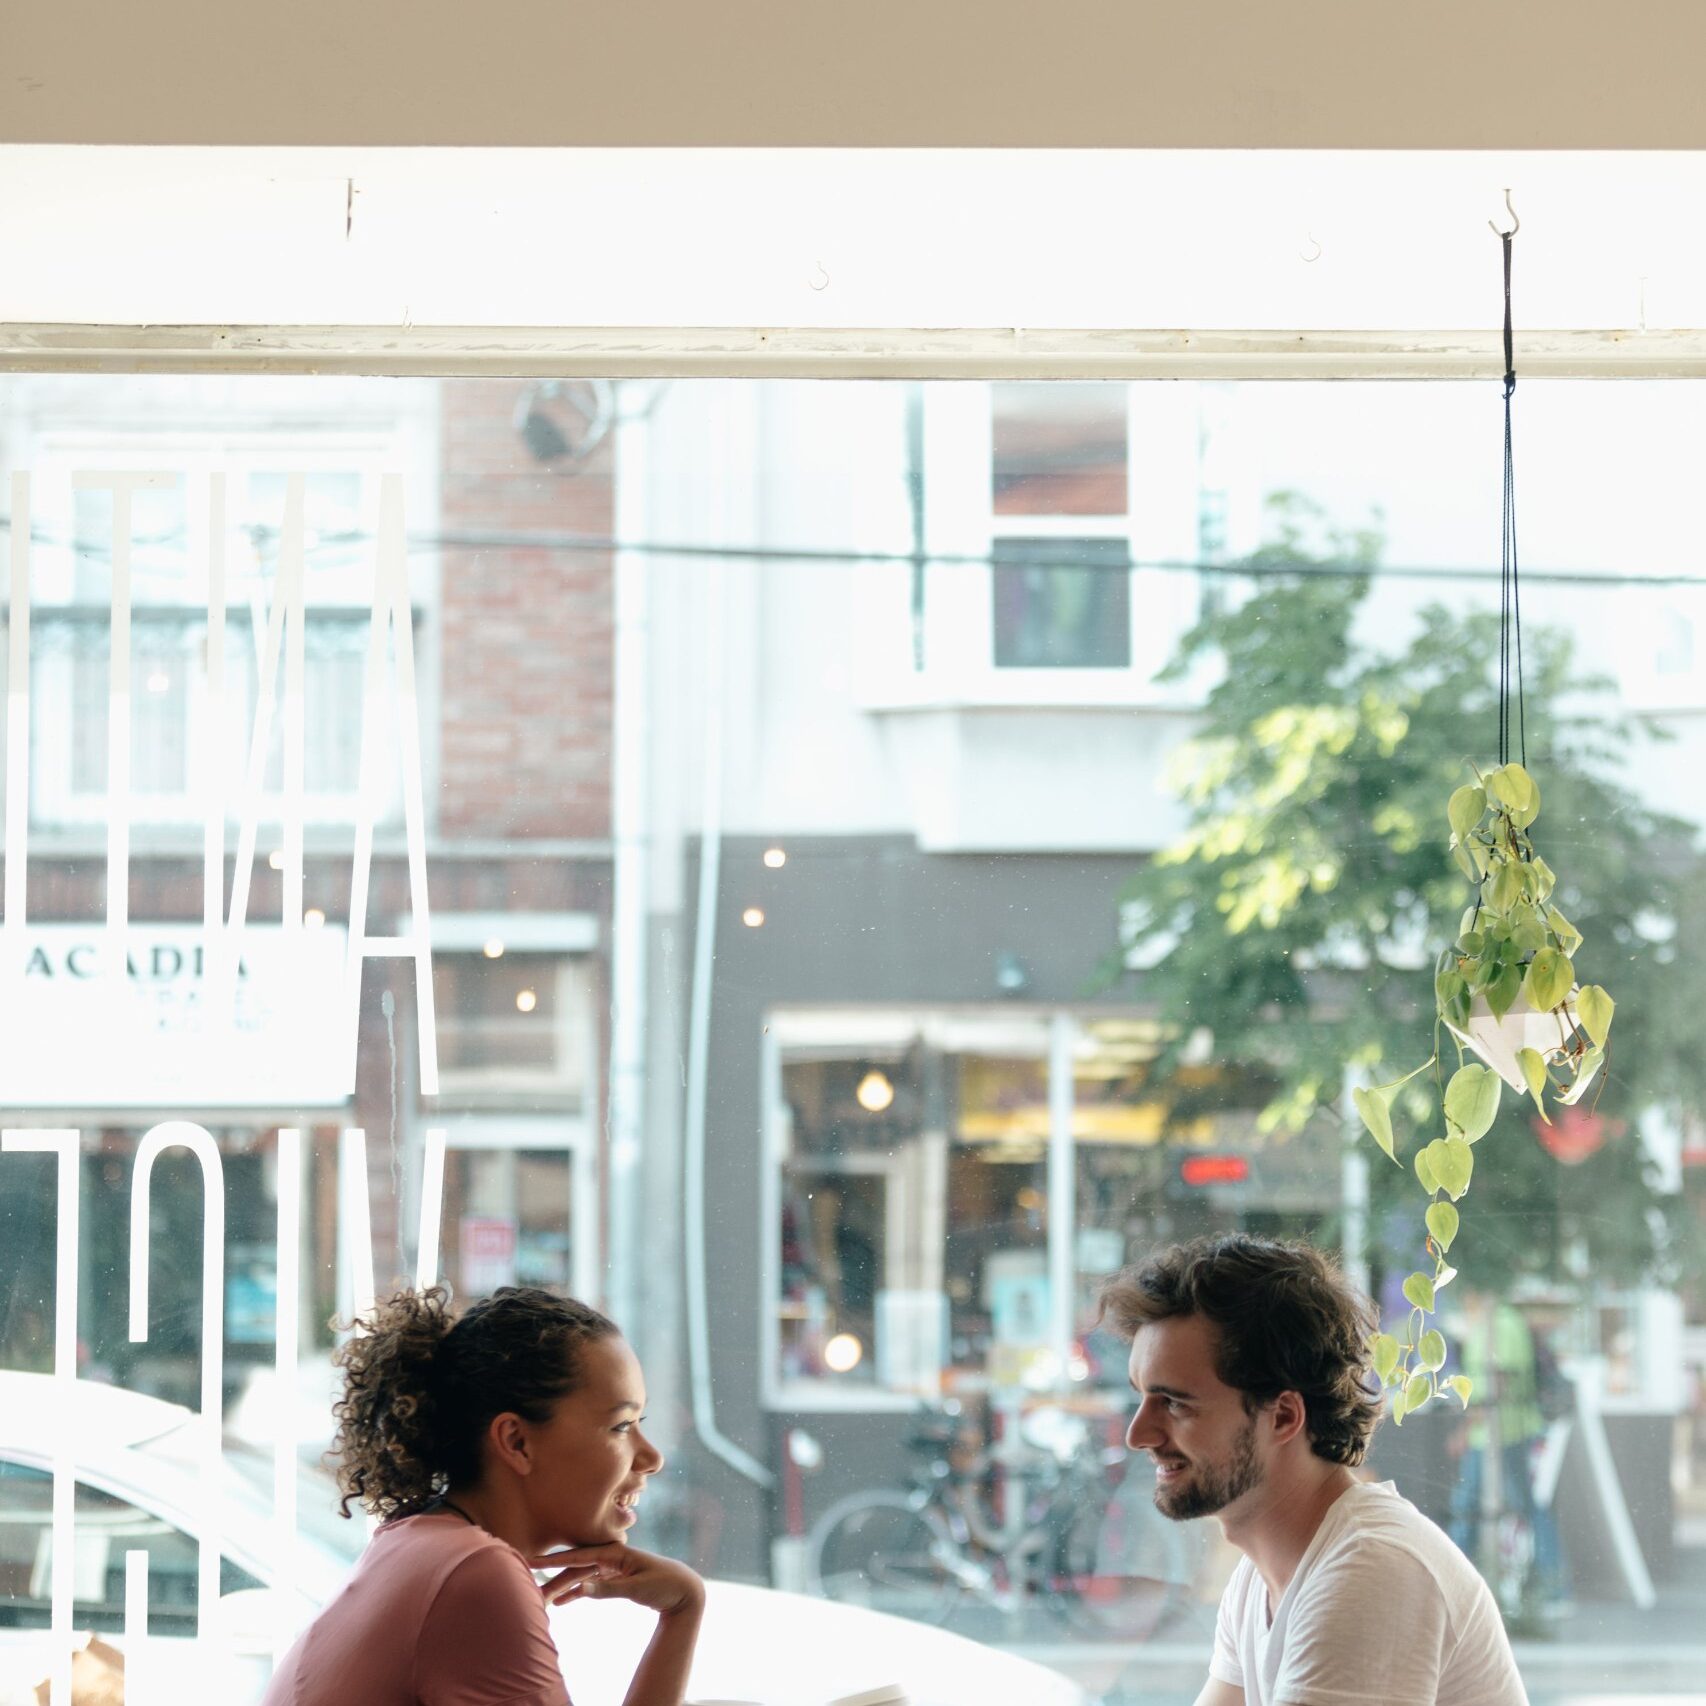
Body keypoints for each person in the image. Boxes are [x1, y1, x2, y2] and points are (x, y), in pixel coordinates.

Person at [1099, 1235, 1527, 1706]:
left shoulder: (1371, 1569)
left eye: (1175, 1403)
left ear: (1283, 1416)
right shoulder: (1258, 1582)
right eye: (1142, 1396)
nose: (1138, 1434)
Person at [263, 1285, 703, 1706]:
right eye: (621, 1426)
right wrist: (684, 1608)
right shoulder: (474, 1573)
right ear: (516, 1442)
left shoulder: (419, 1541)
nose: (652, 1458)